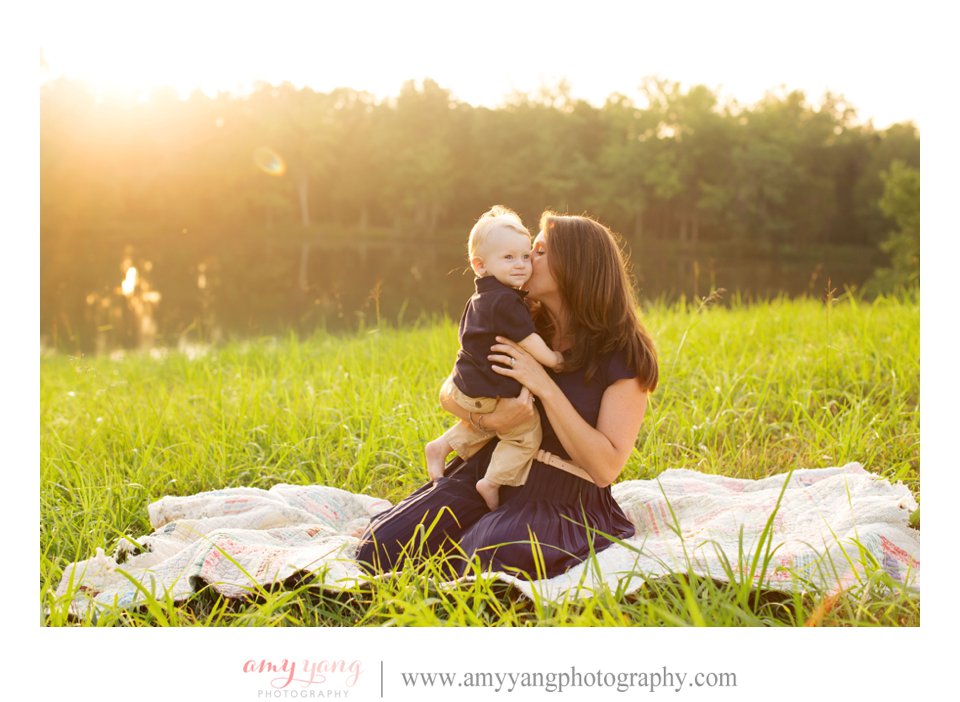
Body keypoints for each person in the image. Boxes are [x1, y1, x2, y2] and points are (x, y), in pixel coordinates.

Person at [356, 211, 659, 580]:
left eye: (541, 251)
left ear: (576, 265)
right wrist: (490, 420)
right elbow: (452, 391)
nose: (527, 258)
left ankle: (473, 539)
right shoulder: (519, 321)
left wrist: (545, 386)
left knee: (484, 557)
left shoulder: (624, 355)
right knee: (379, 549)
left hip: (560, 495)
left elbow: (605, 467)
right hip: (489, 469)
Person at [425, 206, 564, 512]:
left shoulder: (482, 297)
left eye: (525, 256)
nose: (521, 265)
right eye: (508, 258)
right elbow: (529, 340)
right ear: (480, 265)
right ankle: (492, 481)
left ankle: (441, 447)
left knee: (489, 424)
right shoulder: (505, 302)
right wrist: (554, 360)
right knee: (524, 435)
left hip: (470, 386)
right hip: (482, 389)